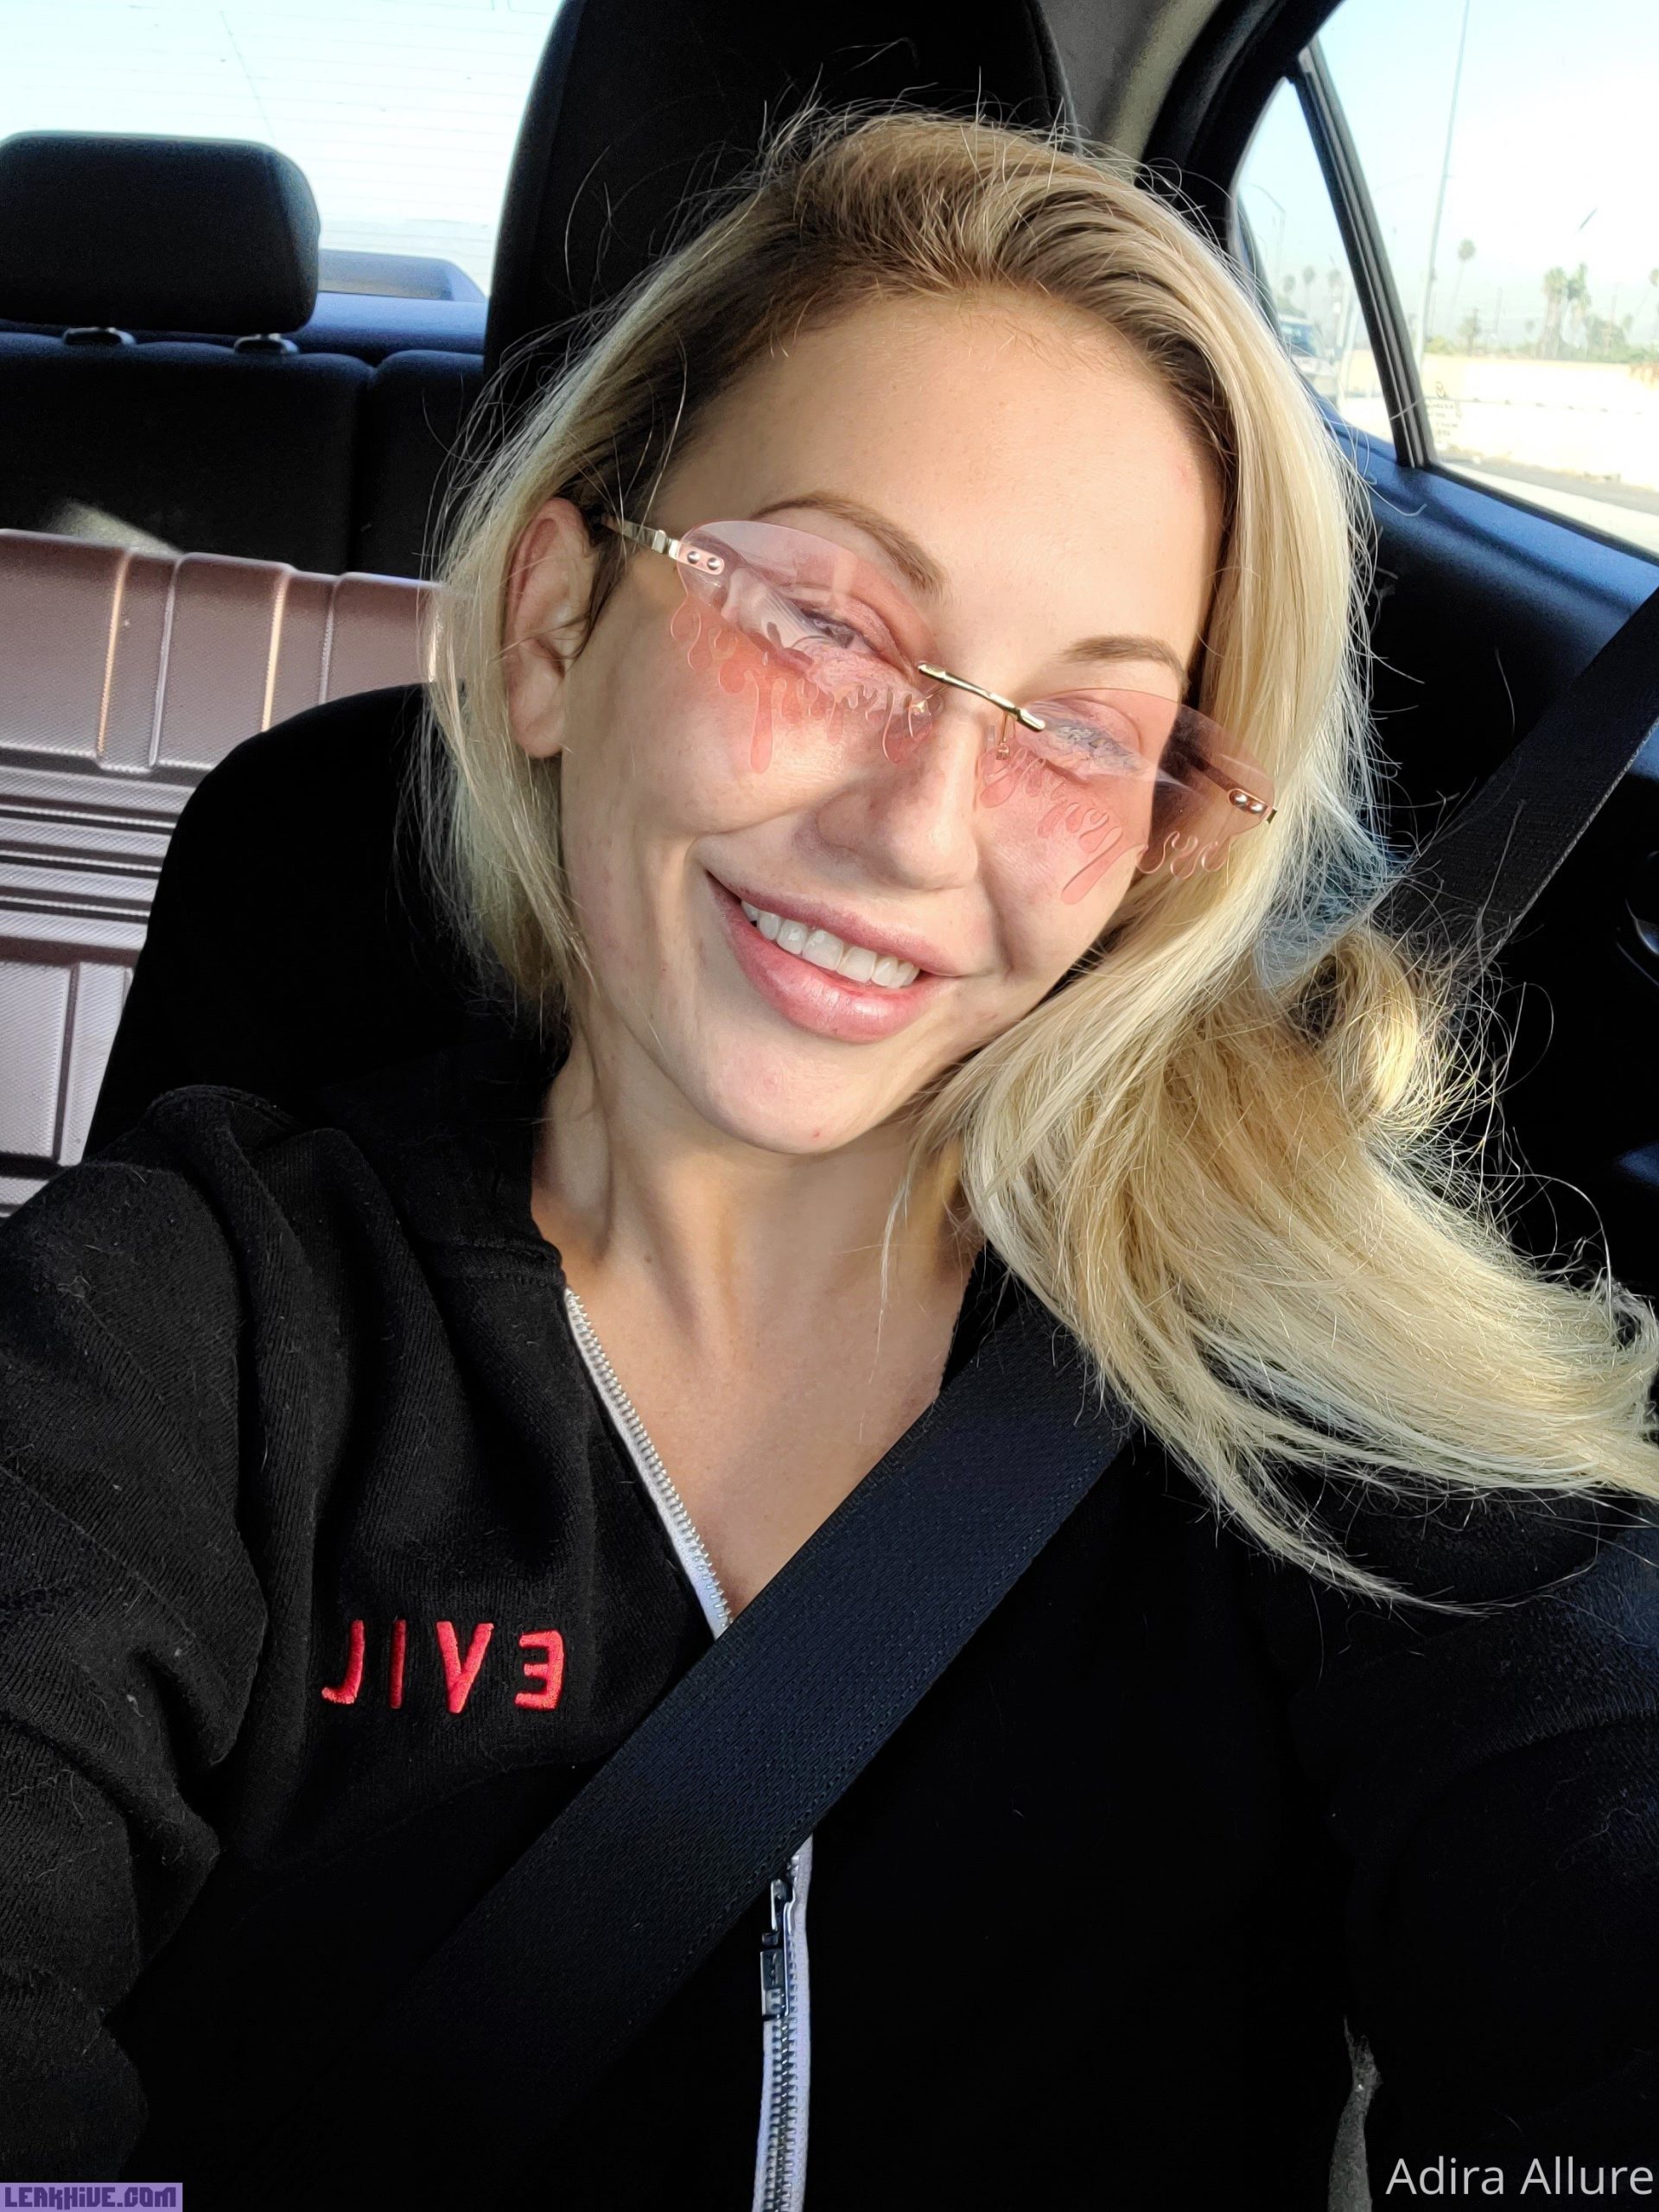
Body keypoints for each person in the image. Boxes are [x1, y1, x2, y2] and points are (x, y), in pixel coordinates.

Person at [3, 98, 1658, 2212]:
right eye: (825, 624)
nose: (917, 826)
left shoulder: (1279, 1365)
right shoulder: (188, 1321)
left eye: (1081, 726)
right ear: (553, 629)